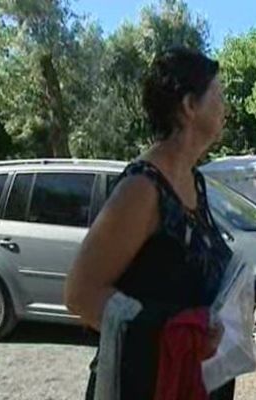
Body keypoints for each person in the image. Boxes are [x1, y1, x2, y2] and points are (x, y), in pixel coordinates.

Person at [65, 47, 235, 399]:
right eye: (218, 96)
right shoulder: (142, 188)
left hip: (190, 380)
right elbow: (81, 294)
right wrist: (179, 332)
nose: (225, 107)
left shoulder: (194, 180)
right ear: (190, 106)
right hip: (143, 385)